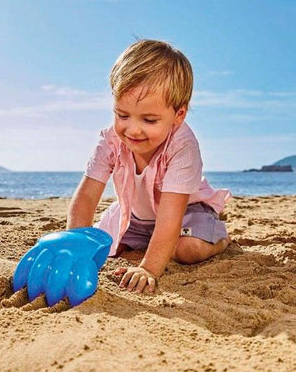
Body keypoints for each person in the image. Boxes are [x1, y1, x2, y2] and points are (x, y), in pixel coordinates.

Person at [67, 39, 231, 294]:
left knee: (185, 250)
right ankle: (146, 242)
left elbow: (170, 218)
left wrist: (149, 268)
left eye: (149, 119)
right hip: (135, 215)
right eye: (122, 115)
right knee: (103, 247)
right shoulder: (110, 140)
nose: (132, 129)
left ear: (178, 115)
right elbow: (86, 198)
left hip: (184, 212)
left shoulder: (183, 147)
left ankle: (218, 238)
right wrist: (73, 253)